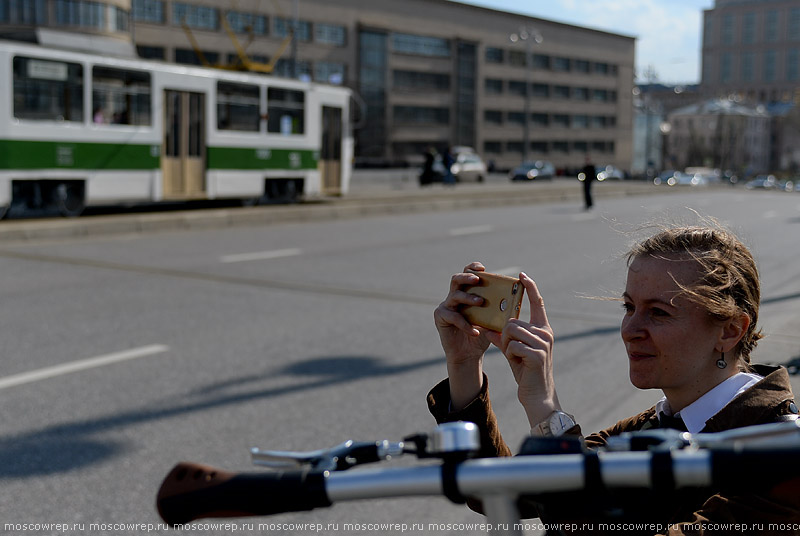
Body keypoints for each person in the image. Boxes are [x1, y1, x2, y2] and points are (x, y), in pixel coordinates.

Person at [428, 224, 800, 534]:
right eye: (629, 307)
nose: (630, 329)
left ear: (730, 330)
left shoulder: (783, 454)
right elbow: (498, 494)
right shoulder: (650, 427)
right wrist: (464, 364)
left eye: (658, 313)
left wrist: (545, 406)